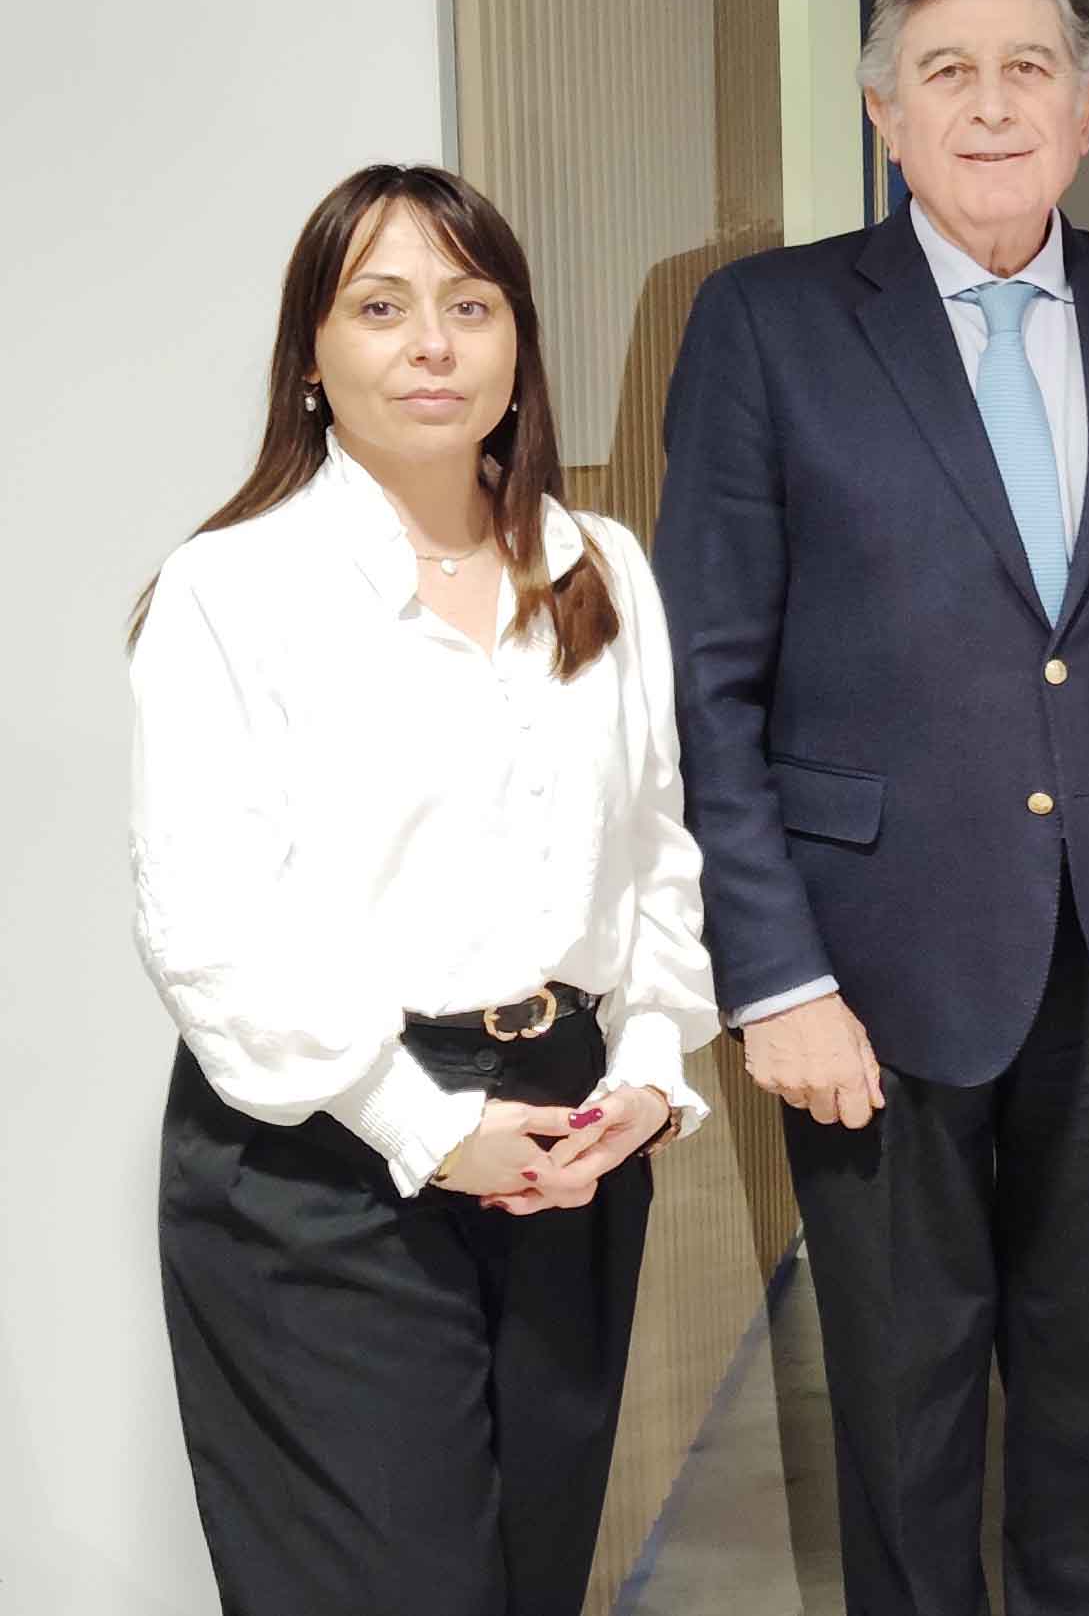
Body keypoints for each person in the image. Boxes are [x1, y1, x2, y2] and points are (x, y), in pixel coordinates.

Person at [653, 0, 1089, 1615]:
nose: (991, 106)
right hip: (866, 967)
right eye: (948, 72)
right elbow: (706, 680)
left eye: (1026, 70)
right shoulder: (769, 325)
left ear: (1087, 106)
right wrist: (773, 973)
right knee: (904, 1398)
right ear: (884, 113)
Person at [130, 163, 715, 1615]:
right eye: (381, 308)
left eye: (470, 304)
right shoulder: (231, 588)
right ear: (311, 357)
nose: (433, 345)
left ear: (518, 342)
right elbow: (208, 928)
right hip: (327, 1148)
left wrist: (650, 1066)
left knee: (531, 1575)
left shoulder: (599, 565)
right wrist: (425, 1126)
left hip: (567, 1133)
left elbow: (656, 849)